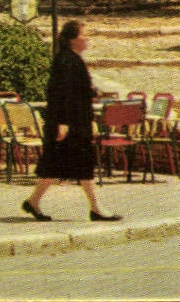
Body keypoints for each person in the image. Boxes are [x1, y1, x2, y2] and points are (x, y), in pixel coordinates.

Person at [20, 20, 118, 222]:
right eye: (84, 35)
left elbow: (76, 89)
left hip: (75, 122)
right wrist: (62, 122)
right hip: (70, 125)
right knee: (80, 166)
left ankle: (33, 201)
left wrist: (93, 92)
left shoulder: (71, 60)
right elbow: (59, 93)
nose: (87, 38)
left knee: (56, 166)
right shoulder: (66, 60)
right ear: (74, 39)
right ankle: (96, 209)